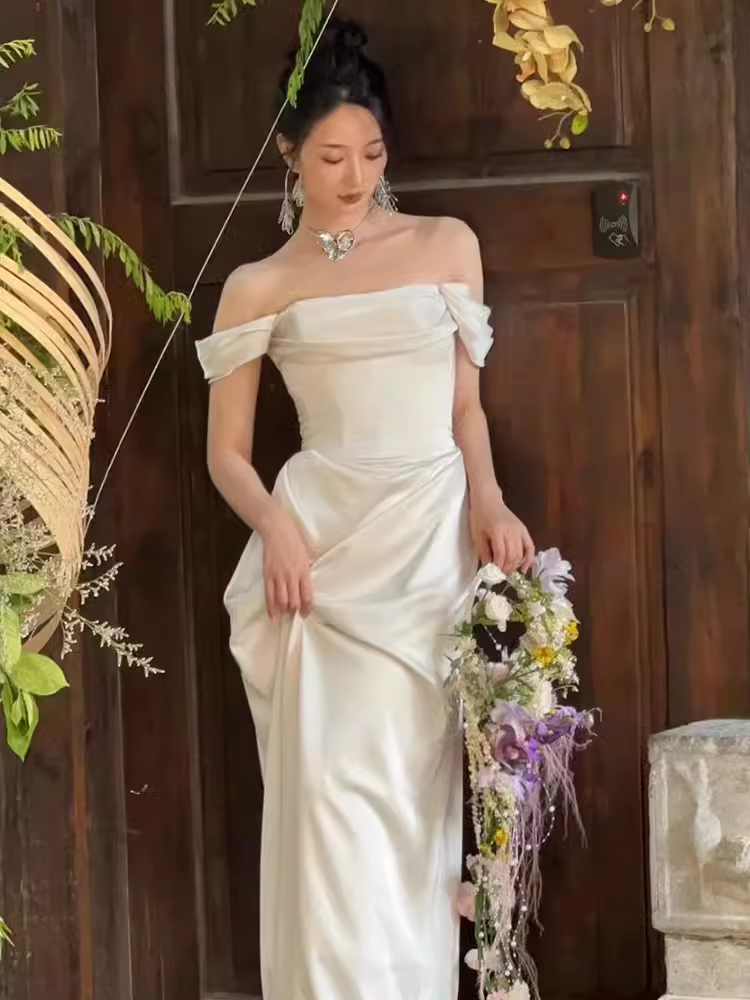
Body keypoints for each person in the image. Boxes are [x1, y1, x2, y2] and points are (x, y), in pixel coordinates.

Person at [195, 18, 535, 1000]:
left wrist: (491, 504)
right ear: (288, 154)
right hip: (320, 558)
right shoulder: (258, 284)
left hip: (425, 548)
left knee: (409, 813)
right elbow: (226, 454)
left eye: (373, 154)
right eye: (332, 157)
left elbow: (466, 411)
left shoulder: (447, 245)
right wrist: (276, 528)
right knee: (326, 809)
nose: (355, 177)